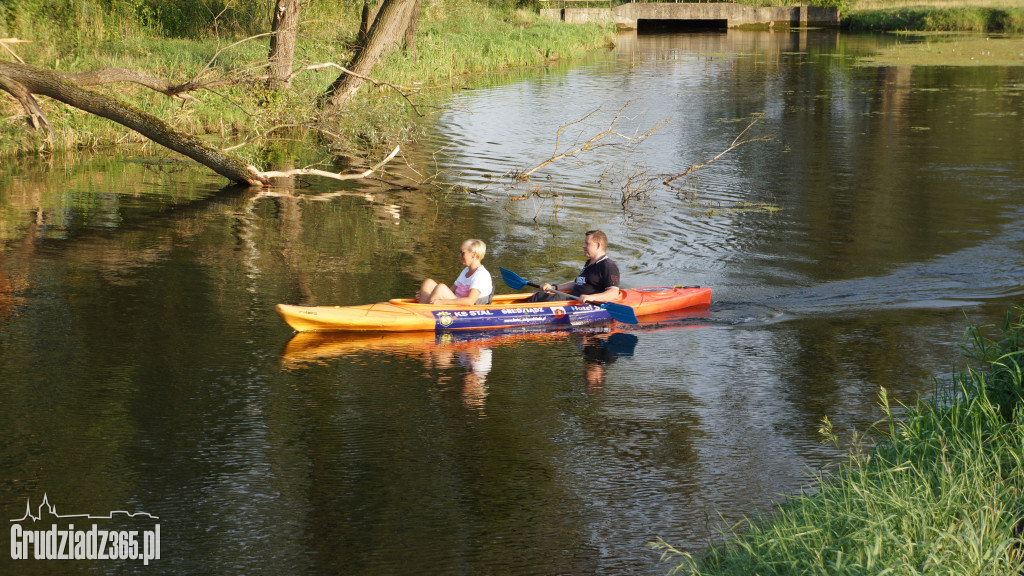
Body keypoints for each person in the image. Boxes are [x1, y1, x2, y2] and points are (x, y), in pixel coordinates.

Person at [528, 230, 620, 304]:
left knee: (557, 298)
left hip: (582, 304)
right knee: (538, 296)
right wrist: (553, 288)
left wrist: (591, 298)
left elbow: (613, 293)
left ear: (598, 245)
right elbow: (577, 283)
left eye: (587, 243)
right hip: (571, 299)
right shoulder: (589, 263)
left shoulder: (608, 266)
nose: (583, 246)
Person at [417, 239, 493, 305]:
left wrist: (442, 302)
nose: (460, 255)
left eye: (462, 253)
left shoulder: (481, 275)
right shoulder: (466, 270)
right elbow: (450, 291)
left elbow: (470, 301)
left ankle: (424, 310)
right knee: (428, 282)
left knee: (441, 287)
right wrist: (428, 295)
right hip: (456, 301)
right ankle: (422, 306)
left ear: (473, 255)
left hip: (466, 308)